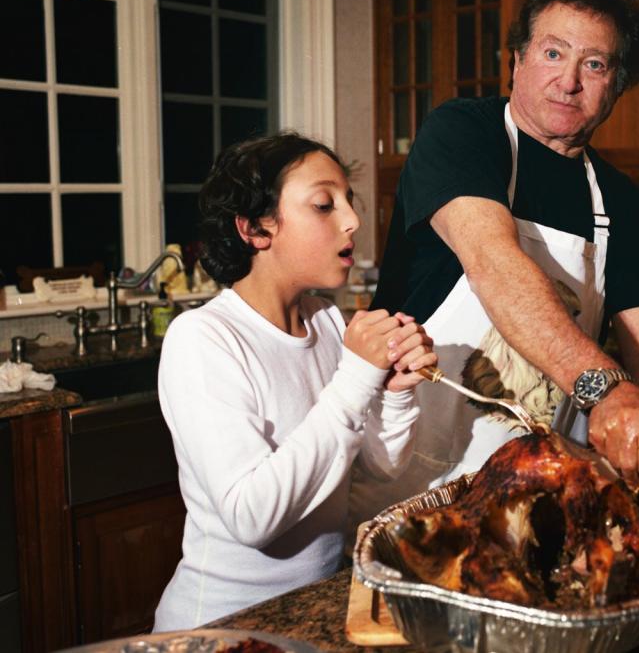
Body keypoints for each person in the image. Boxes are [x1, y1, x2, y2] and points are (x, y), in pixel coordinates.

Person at [351, 0, 639, 526]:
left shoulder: (622, 200)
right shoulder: (462, 134)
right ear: (517, 60)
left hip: (537, 486)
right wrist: (608, 389)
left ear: (617, 85)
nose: (568, 81)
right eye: (552, 52)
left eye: (595, 65)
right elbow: (493, 265)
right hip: (419, 476)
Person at [153, 132, 436, 631]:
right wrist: (355, 379)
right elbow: (251, 517)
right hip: (222, 627)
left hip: (313, 610)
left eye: (349, 201)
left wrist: (394, 395)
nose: (352, 220)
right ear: (256, 229)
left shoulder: (326, 322)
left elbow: (375, 472)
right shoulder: (203, 339)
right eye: (324, 205)